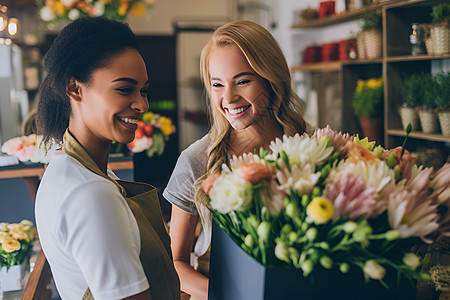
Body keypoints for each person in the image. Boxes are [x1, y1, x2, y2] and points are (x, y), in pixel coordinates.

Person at [163, 20, 310, 299]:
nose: (228, 97)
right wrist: (229, 295)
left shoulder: (314, 146)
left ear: (272, 78)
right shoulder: (195, 161)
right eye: (217, 84)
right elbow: (176, 264)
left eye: (242, 81)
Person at [35, 17, 180, 300]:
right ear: (75, 88)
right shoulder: (91, 193)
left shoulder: (66, 167)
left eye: (144, 90)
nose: (142, 104)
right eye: (125, 89)